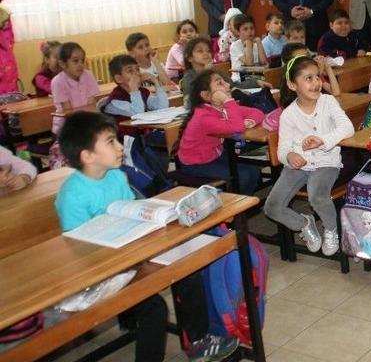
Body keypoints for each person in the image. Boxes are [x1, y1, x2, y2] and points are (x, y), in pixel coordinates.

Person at [54, 111, 239, 362]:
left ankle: (197, 341)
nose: (120, 147)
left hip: (132, 256)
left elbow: (131, 214)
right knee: (155, 309)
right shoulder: (72, 195)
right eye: (110, 142)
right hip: (99, 274)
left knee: (187, 271)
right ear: (87, 155)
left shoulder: (116, 176)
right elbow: (77, 250)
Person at [263, 55, 355, 256]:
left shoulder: (328, 101)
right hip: (298, 166)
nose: (316, 83)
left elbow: (347, 128)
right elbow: (283, 149)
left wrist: (323, 140)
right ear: (292, 85)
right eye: (308, 78)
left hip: (326, 162)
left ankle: (331, 230)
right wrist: (290, 156)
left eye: (317, 77)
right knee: (271, 206)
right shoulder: (288, 114)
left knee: (317, 195)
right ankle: (304, 223)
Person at [176, 69, 263, 195]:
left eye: (225, 82)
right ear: (206, 95)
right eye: (220, 83)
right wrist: (228, 101)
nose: (228, 85)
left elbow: (257, 112)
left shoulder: (221, 108)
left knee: (252, 170)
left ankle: (239, 199)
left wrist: (248, 121)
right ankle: (236, 202)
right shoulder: (203, 116)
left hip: (215, 155)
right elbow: (237, 127)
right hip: (196, 164)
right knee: (244, 175)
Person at [263, 43, 341, 132]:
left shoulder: (313, 75)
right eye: (300, 58)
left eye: (307, 56)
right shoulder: (292, 81)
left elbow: (336, 92)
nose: (305, 61)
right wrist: (318, 73)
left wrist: (327, 67)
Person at [180, 37, 269, 104]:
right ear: (190, 58)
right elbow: (193, 94)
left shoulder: (215, 72)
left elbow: (232, 85)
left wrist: (256, 82)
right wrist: (205, 72)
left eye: (208, 51)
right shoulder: (189, 75)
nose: (206, 53)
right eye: (200, 51)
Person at [100, 54, 169, 139]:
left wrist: (156, 82)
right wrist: (133, 88)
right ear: (119, 79)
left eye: (137, 69)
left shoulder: (142, 92)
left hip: (144, 137)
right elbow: (138, 113)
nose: (137, 74)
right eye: (130, 71)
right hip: (128, 142)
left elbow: (163, 107)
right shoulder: (114, 101)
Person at [228, 14, 267, 82]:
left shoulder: (255, 45)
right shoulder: (235, 46)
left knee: (270, 79)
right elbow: (249, 64)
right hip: (239, 79)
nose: (250, 31)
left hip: (256, 76)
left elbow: (263, 62)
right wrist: (248, 44)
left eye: (252, 28)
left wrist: (259, 42)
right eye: (245, 29)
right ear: (238, 32)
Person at [0, 0, 19, 95]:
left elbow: (9, 38)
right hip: (7, 57)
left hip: (6, 58)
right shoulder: (4, 13)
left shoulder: (4, 13)